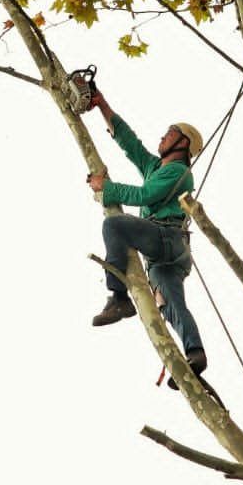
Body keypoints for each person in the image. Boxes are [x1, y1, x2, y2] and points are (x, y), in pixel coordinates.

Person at [83, 87, 207, 386]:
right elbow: (131, 144)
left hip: (166, 238)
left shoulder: (179, 173)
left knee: (115, 226)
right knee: (171, 305)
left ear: (182, 143)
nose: (162, 138)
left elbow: (145, 195)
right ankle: (195, 354)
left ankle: (119, 298)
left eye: (169, 133)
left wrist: (106, 189)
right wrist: (102, 105)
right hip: (161, 259)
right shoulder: (155, 166)